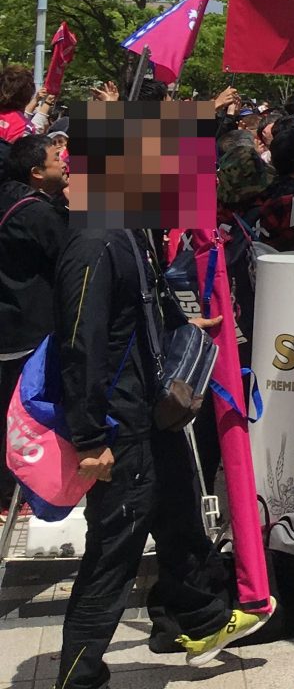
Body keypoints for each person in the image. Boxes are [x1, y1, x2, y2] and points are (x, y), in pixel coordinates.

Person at [56, 134, 254, 685]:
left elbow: (132, 313)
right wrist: (91, 439)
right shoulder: (96, 241)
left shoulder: (130, 231)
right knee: (113, 554)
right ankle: (77, 676)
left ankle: (199, 618)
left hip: (150, 413)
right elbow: (81, 345)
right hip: (118, 427)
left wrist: (183, 325)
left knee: (179, 511)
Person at [0, 131, 68, 437]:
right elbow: (69, 260)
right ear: (37, 172)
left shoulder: (10, 198)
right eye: (56, 158)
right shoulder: (38, 214)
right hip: (33, 338)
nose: (64, 163)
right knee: (33, 421)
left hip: (10, 331)